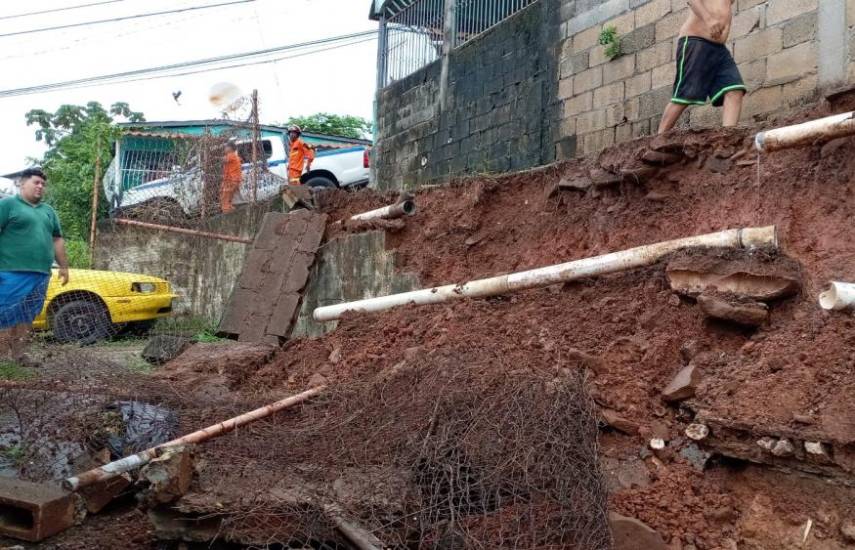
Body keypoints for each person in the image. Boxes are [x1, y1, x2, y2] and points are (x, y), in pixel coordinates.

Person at [0, 168, 69, 365]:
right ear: (22, 184)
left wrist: (64, 266)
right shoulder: (7, 205)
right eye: (36, 182)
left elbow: (57, 239)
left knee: (27, 316)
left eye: (43, 184)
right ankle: (2, 360)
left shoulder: (48, 211)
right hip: (10, 272)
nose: (40, 187)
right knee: (4, 314)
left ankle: (20, 357)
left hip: (40, 274)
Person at [658, 0, 746, 133]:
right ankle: (659, 140)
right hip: (696, 42)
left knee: (734, 89)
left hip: (719, 49)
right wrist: (709, 19)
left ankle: (727, 139)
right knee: (685, 94)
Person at [282, 125, 316, 210]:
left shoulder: (300, 143)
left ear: (297, 135)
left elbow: (310, 152)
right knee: (292, 191)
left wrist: (308, 164)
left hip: (296, 171)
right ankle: (299, 206)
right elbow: (293, 159)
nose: (292, 135)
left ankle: (308, 208)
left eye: (294, 133)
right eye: (290, 133)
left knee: (297, 190)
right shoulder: (292, 145)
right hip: (291, 171)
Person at [220, 141, 243, 213]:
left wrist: (214, 158)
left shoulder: (231, 155)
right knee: (229, 196)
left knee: (225, 196)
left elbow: (224, 160)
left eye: (226, 147)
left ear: (230, 148)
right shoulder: (236, 156)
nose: (224, 149)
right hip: (235, 179)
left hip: (231, 180)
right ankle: (230, 208)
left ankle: (226, 211)